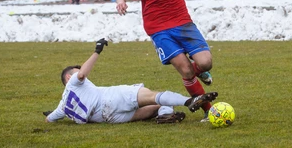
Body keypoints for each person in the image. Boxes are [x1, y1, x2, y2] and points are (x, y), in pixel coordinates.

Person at [116, 0, 252, 122]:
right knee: (186, 72)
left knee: (205, 63)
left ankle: (199, 70)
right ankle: (208, 110)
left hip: (182, 23)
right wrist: (121, 2)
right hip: (158, 29)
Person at [44, 39, 218, 124]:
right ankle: (190, 100)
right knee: (153, 95)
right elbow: (81, 75)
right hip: (111, 98)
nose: (80, 72)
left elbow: (50, 120)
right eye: (75, 70)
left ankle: (165, 114)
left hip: (108, 118)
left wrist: (53, 114)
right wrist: (97, 51)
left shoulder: (62, 106)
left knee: (152, 108)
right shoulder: (74, 81)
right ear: (68, 78)